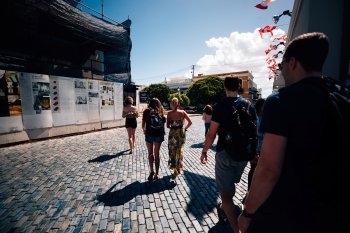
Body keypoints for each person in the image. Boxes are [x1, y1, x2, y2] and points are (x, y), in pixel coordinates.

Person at [238, 32, 346, 233]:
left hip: (288, 213)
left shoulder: (280, 101)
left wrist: (247, 213)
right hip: (333, 212)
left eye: (282, 66)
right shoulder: (340, 98)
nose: (282, 72)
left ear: (293, 62)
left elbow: (269, 168)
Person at [200, 77, 256, 233]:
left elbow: (212, 134)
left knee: (225, 194)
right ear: (239, 86)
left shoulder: (221, 106)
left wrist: (204, 150)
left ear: (225, 87)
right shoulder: (248, 105)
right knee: (230, 186)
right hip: (244, 155)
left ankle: (236, 229)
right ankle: (228, 206)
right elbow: (255, 131)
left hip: (225, 153)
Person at [167, 97, 192, 181]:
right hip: (181, 133)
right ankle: (179, 168)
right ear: (178, 104)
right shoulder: (183, 112)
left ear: (171, 104)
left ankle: (175, 169)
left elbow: (167, 126)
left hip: (172, 134)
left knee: (172, 151)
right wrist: (185, 128)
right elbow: (190, 122)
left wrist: (173, 125)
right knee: (180, 150)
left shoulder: (169, 113)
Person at [142, 98, 166, 181]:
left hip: (149, 134)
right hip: (159, 134)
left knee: (150, 153)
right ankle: (157, 173)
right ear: (158, 103)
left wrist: (145, 131)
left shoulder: (146, 111)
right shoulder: (161, 111)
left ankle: (151, 171)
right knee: (157, 154)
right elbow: (163, 123)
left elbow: (143, 125)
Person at [247, 98, 265, 190]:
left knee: (262, 170)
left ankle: (258, 189)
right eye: (263, 105)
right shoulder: (254, 116)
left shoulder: (267, 117)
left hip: (264, 148)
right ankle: (249, 189)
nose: (265, 107)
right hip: (254, 146)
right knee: (253, 168)